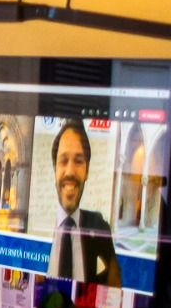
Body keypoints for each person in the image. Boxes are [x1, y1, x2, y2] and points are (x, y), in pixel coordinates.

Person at [48, 120, 120, 285]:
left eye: (79, 161)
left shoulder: (100, 228)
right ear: (54, 169)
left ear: (87, 171)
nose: (70, 172)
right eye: (63, 161)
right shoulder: (35, 230)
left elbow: (114, 285)